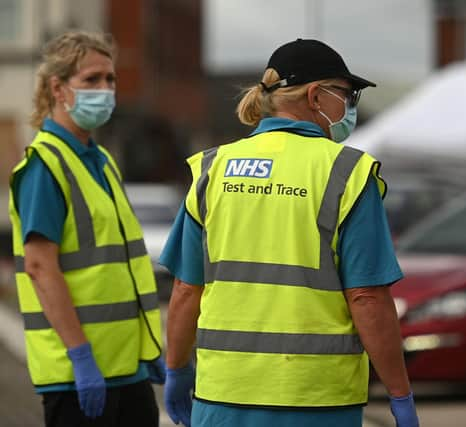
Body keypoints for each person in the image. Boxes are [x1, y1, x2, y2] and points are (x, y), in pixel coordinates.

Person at [160, 38, 420, 427]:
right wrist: (400, 394)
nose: (350, 108)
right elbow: (367, 297)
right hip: (314, 399)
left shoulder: (213, 169)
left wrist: (177, 370)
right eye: (347, 95)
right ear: (316, 96)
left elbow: (185, 290)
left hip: (223, 397)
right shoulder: (346, 173)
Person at [8, 30, 166, 427]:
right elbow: (41, 267)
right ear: (58, 88)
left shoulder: (101, 161)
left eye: (110, 79)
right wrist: (80, 356)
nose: (105, 89)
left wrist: (149, 349)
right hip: (78, 375)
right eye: (91, 80)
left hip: (126, 370)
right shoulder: (45, 166)